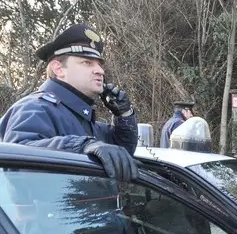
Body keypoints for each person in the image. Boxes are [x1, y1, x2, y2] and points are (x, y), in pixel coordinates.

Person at [0, 23, 138, 181]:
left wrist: (124, 114)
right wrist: (81, 146)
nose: (100, 71)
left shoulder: (80, 116)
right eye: (87, 62)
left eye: (99, 64)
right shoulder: (34, 108)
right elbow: (17, 157)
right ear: (59, 69)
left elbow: (121, 153)